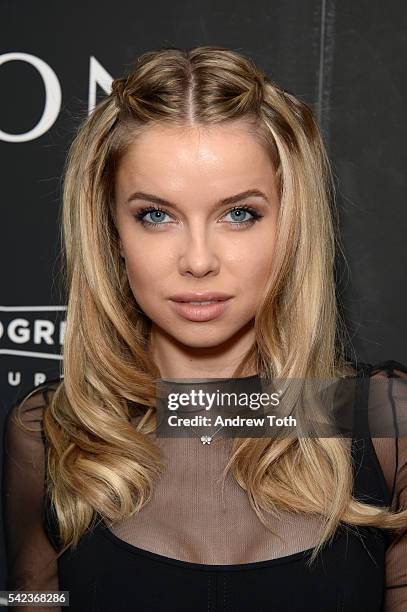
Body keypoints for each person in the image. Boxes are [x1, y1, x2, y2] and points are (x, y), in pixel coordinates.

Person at [2, 45, 407, 612]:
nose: (197, 260)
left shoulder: (385, 424)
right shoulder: (52, 432)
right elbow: (27, 597)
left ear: (291, 226)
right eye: (155, 215)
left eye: (239, 213)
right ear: (111, 232)